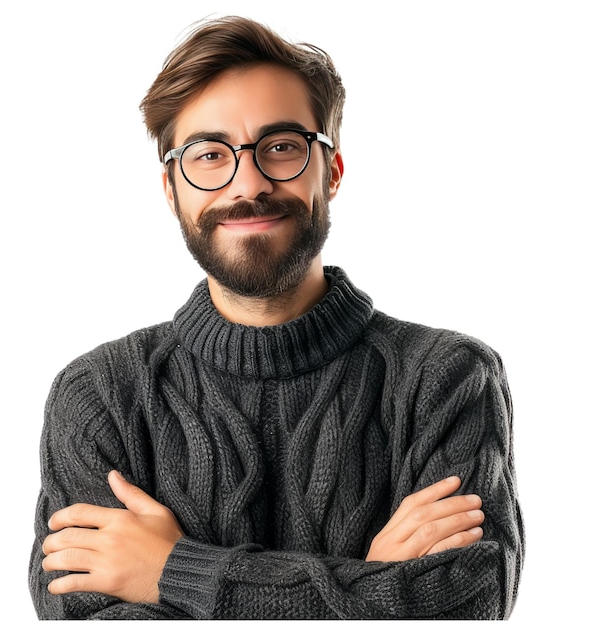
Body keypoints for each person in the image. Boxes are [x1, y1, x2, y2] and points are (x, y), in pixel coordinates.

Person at [28, 15, 525, 620]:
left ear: (332, 172)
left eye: (282, 148)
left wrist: (172, 571)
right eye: (210, 154)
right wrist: (372, 587)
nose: (249, 182)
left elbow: (462, 607)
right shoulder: (100, 395)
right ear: (170, 188)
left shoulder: (446, 380)